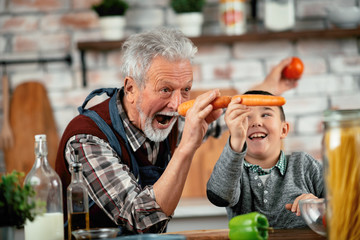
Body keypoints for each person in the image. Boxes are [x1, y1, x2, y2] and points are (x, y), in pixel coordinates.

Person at [55, 27, 298, 235]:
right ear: (131, 88)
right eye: (165, 90)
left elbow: (221, 119)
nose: (177, 104)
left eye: (186, 89)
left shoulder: (165, 118)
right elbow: (141, 220)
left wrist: (267, 88)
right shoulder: (87, 139)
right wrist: (187, 147)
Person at [206, 90, 325, 229]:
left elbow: (344, 205)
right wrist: (236, 139)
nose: (256, 122)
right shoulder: (233, 171)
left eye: (266, 114)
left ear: (284, 129)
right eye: (247, 116)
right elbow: (219, 196)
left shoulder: (304, 165)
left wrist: (319, 205)